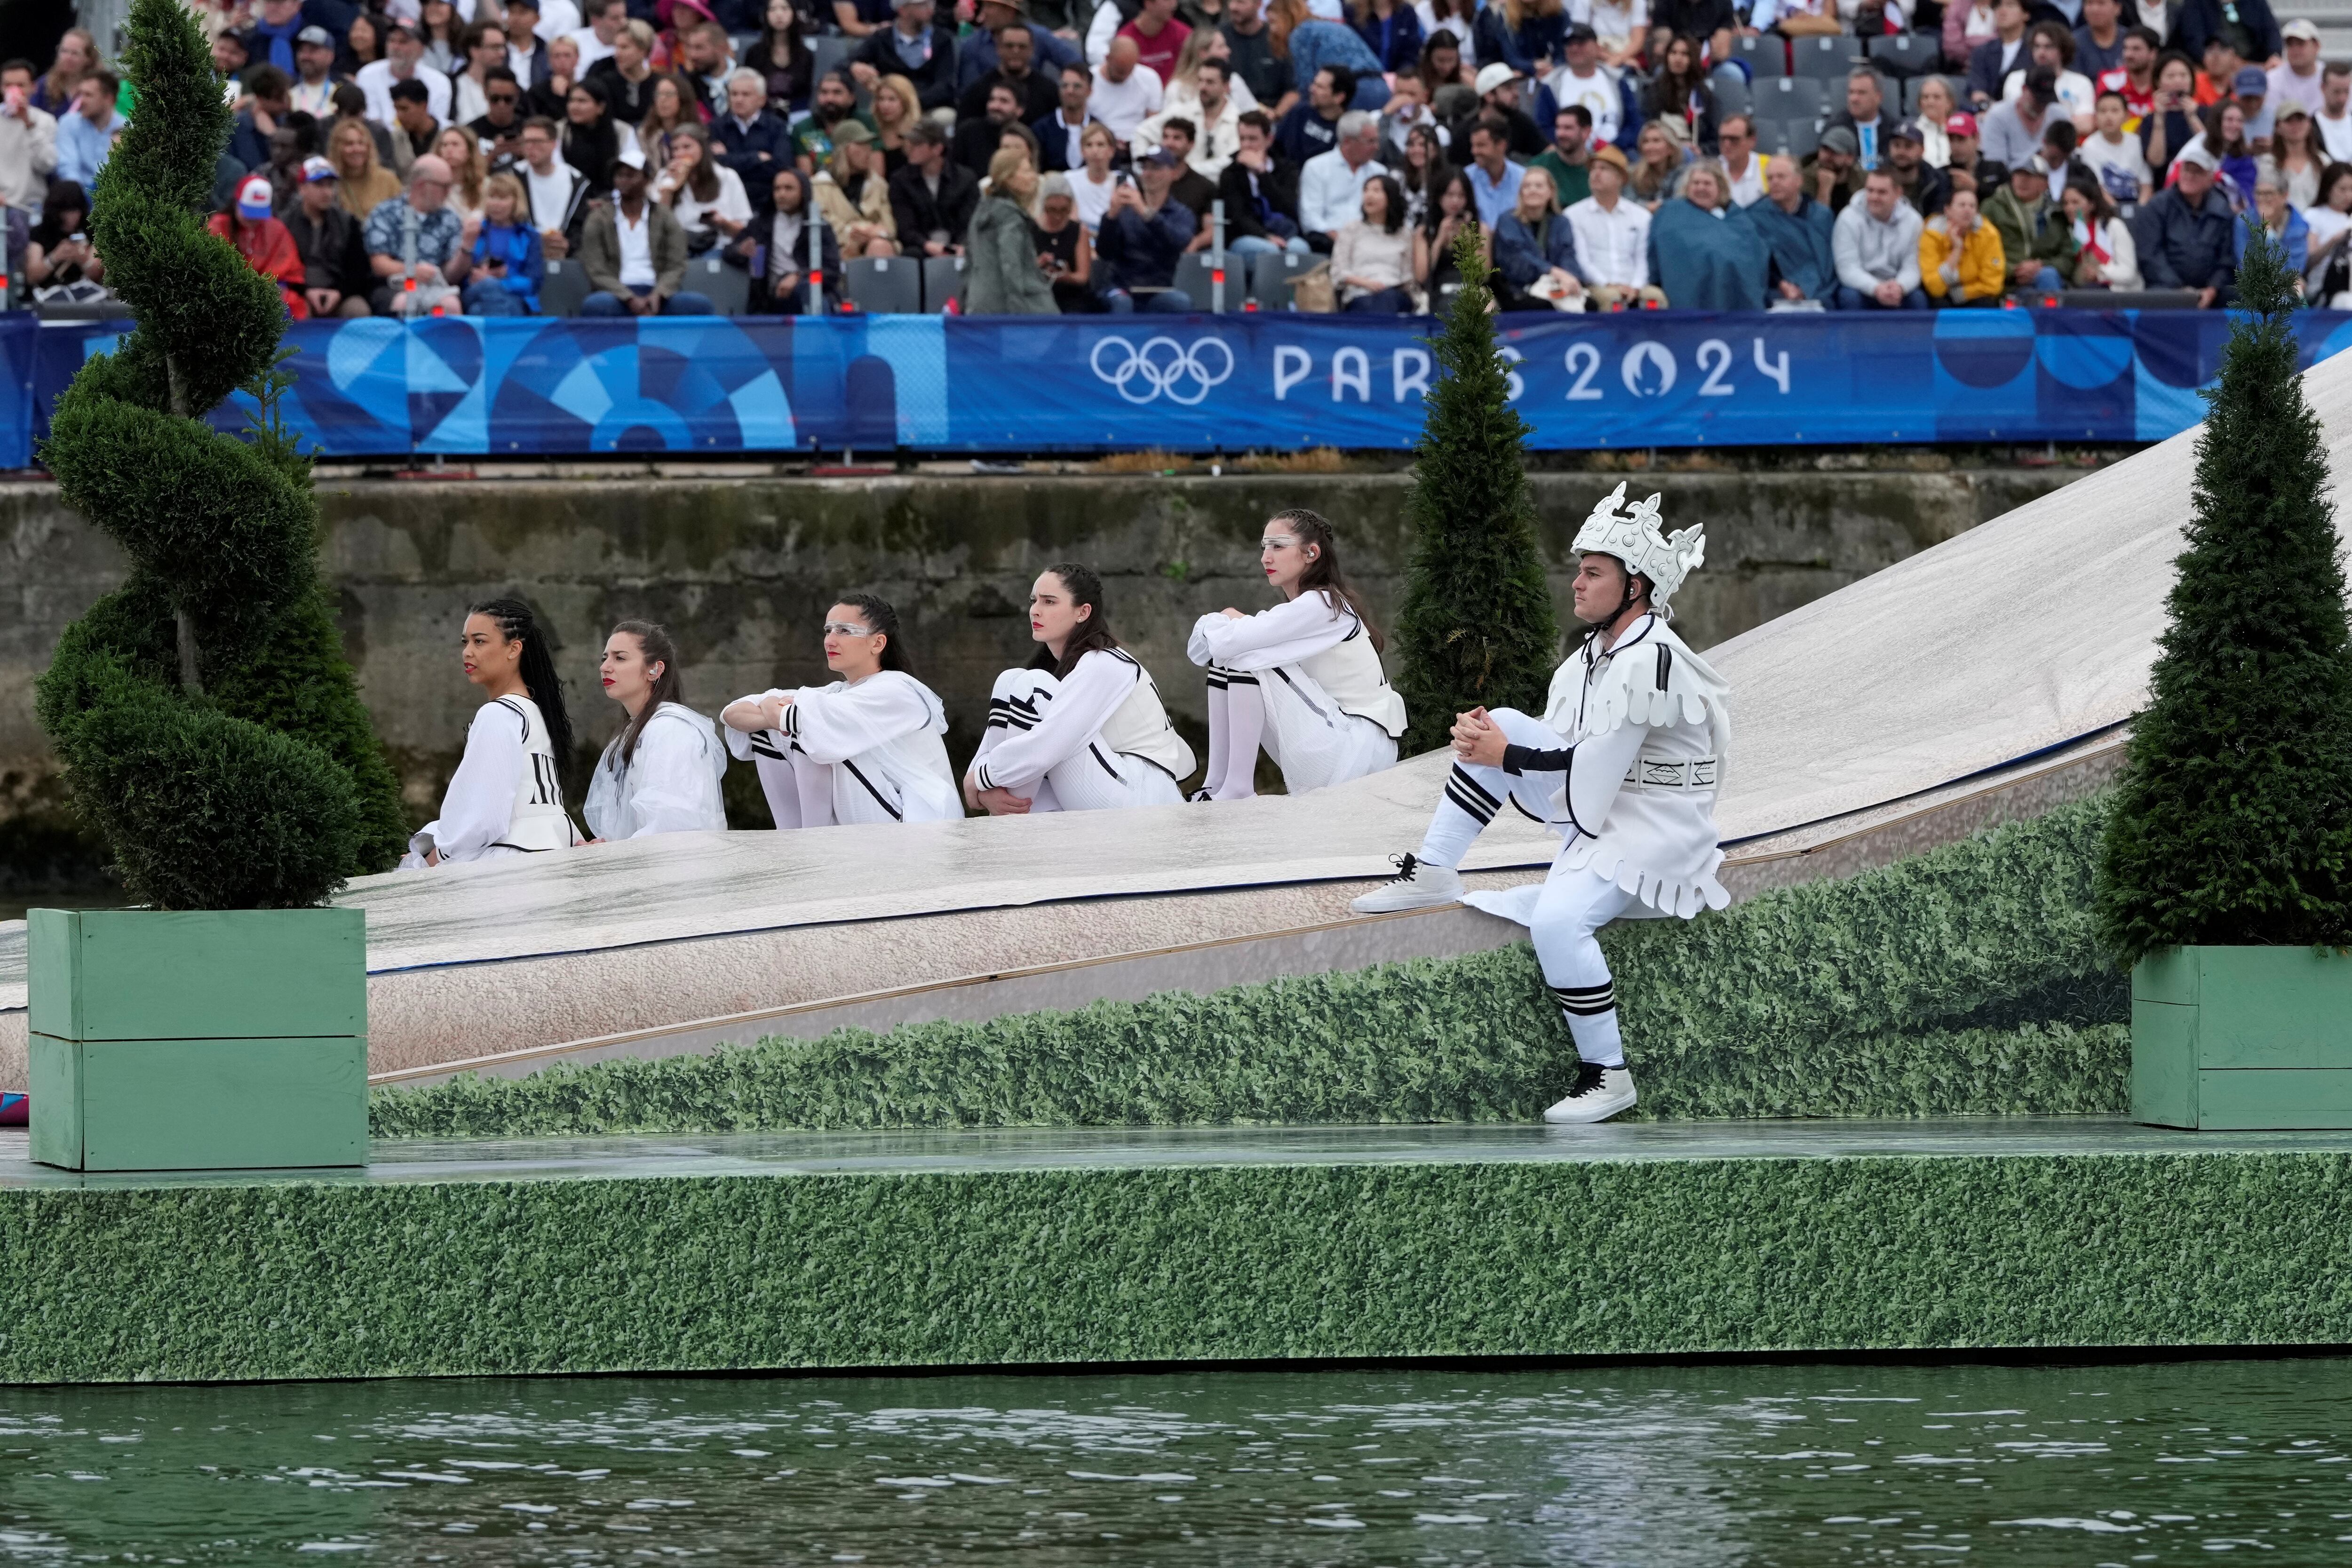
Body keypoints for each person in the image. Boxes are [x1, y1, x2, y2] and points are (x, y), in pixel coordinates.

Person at [1351, 483, 1728, 1126]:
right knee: (1498, 719)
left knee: (1558, 923)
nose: (1576, 584)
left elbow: (1595, 768)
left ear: (1635, 587)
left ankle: (1607, 1075)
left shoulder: (1651, 659)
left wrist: (1506, 757)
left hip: (1653, 829)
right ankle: (1437, 868)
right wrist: (1491, 742)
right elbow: (1575, 753)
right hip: (1608, 805)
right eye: (1579, 570)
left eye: (1593, 572)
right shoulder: (1588, 658)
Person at [1186, 509, 1404, 801]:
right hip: (1338, 737)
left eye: (1278, 546)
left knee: (1245, 658)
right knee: (1240, 655)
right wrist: (1229, 625)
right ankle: (1216, 783)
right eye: (1264, 547)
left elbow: (1224, 646)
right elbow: (1199, 652)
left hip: (1358, 750)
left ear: (1311, 553)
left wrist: (1225, 618)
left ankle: (1237, 788)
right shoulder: (1308, 608)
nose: (1266, 558)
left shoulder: (1324, 605)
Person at [967, 565, 1196, 815]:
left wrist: (980, 778)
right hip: (1106, 783)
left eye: (1049, 602)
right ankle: (1007, 803)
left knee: (1031, 686)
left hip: (1141, 795)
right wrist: (981, 779)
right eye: (1034, 601)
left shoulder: (1105, 663)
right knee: (1010, 679)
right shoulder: (1066, 667)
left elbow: (1049, 745)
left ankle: (1010, 816)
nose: (1035, 611)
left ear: (1083, 612)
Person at [723, 597, 959, 830]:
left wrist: (772, 704)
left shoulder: (897, 689)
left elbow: (806, 721)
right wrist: (774, 706)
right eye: (828, 630)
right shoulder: (837, 692)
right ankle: (791, 836)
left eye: (845, 631)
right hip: (880, 810)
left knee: (813, 729)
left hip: (918, 822)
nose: (830, 641)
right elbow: (732, 713)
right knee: (779, 729)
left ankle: (812, 840)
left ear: (877, 644)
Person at [401, 599, 581, 869]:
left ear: (514, 649)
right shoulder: (534, 714)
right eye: (465, 642)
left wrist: (432, 860)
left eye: (480, 642)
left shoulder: (498, 714)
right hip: (549, 863)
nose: (467, 652)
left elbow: (482, 818)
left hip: (508, 869)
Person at [582, 148, 716, 313]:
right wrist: (628, 297)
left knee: (698, 305)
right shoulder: (599, 218)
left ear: (647, 180)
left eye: (630, 176)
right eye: (619, 175)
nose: (623, 180)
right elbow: (596, 268)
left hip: (659, 291)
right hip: (616, 294)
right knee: (596, 305)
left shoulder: (664, 216)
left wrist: (659, 294)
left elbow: (676, 264)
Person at [365, 155, 475, 315]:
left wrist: (466, 247)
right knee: (406, 304)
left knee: (449, 307)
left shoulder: (450, 219)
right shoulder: (386, 213)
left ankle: (441, 340)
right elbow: (379, 263)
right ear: (422, 185)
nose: (448, 193)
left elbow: (451, 276)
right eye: (444, 186)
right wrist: (412, 271)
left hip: (435, 287)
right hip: (395, 285)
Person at [2132, 137, 2238, 303]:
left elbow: (2227, 259)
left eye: (2197, 172)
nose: (2190, 176)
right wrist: (2179, 290)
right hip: (2167, 287)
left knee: (2242, 296)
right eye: (2186, 170)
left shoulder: (2222, 210)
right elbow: (2150, 256)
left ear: (2211, 179)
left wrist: (2212, 289)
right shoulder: (2157, 207)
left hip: (2212, 291)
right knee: (2157, 296)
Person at [1647, 159, 1764, 308]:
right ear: (1687, 187)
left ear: (1720, 188)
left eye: (1707, 183)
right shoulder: (1672, 213)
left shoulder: (1737, 218)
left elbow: (1753, 254)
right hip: (1686, 294)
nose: (1701, 188)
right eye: (1696, 183)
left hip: (1732, 295)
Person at [1094, 144, 1198, 307]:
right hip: (1123, 286)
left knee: (1180, 302)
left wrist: (1145, 213)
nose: (1148, 174)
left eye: (1156, 168)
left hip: (1160, 288)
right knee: (1122, 302)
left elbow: (1178, 242)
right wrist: (1111, 217)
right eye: (1145, 168)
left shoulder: (1181, 214)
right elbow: (1105, 253)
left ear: (1173, 173)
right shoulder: (1124, 212)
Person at [1564, 142, 1659, 306]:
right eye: (1593, 169)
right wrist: (1608, 284)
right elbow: (1583, 261)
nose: (1596, 174)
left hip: (1633, 284)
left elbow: (1642, 259)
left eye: (1604, 169)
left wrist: (1635, 287)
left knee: (1655, 299)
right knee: (1612, 299)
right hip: (1595, 286)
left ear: (1621, 178)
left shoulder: (1641, 216)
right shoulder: (1574, 215)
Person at [965, 147, 1058, 312]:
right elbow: (1011, 265)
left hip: (980, 303)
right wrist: (1018, 312)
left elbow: (968, 262)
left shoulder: (980, 212)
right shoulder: (1010, 217)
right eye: (1027, 171)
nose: (1034, 177)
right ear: (1009, 179)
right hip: (1017, 307)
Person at [210, 174, 309, 319]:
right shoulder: (218, 226)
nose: (253, 219)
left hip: (269, 292)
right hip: (228, 292)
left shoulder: (276, 229)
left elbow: (291, 271)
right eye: (249, 212)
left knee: (295, 305)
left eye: (258, 214)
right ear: (236, 203)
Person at [284, 156, 371, 318]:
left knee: (358, 310)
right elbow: (282, 269)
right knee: (292, 309)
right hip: (300, 292)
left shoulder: (348, 222)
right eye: (319, 185)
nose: (327, 192)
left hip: (339, 293)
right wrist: (306, 292)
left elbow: (359, 270)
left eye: (331, 186)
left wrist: (340, 293)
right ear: (302, 188)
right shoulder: (285, 223)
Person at [1748, 154, 1838, 305]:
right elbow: (1756, 262)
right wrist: (1781, 284)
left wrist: (1804, 287)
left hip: (1817, 287)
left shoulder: (1821, 216)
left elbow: (1827, 263)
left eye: (1781, 177)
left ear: (1799, 181)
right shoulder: (1755, 216)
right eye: (1770, 178)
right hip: (1775, 288)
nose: (1774, 182)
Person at [1833, 167, 1927, 309]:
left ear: (1898, 193)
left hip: (1897, 286)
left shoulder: (1914, 221)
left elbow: (1913, 266)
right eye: (1870, 190)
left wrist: (1900, 287)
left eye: (1882, 192)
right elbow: (1847, 268)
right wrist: (1876, 288)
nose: (1874, 197)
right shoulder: (1848, 218)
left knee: (1918, 299)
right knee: (1849, 297)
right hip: (1861, 287)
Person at [1494, 162, 1582, 309]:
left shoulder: (1561, 222)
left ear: (1551, 192)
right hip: (1518, 289)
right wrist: (1553, 272)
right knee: (1544, 306)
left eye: (1539, 186)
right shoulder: (1508, 220)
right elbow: (1516, 261)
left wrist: (1569, 278)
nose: (1532, 190)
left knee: (1590, 305)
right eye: (1527, 186)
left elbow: (1568, 255)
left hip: (1556, 286)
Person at [1220, 108, 1309, 252]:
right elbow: (1238, 216)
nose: (1246, 145)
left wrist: (1262, 173)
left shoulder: (1287, 169)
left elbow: (1288, 207)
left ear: (1269, 140)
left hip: (1285, 231)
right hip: (1246, 235)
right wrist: (1266, 236)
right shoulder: (1231, 174)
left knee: (1300, 249)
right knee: (1270, 251)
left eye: (1253, 139)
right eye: (1242, 139)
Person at [889, 119, 982, 255]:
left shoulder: (966, 179)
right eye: (911, 143)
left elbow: (969, 223)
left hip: (960, 246)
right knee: (912, 254)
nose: (910, 148)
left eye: (918, 144)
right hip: (920, 248)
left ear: (938, 148)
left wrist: (961, 246)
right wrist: (927, 245)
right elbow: (906, 227)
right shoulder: (900, 180)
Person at [656, 122, 754, 252]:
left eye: (687, 147)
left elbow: (744, 231)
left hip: (719, 247)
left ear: (702, 147)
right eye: (675, 149)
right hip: (679, 249)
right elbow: (657, 226)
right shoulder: (665, 177)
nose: (680, 154)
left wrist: (723, 222)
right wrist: (669, 187)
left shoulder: (727, 177)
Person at [757, 165, 844, 310]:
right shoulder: (761, 224)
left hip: (807, 288)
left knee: (811, 289)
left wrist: (799, 277)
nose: (781, 194)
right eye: (777, 189)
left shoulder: (820, 227)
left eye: (788, 188)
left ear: (803, 192)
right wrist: (742, 250)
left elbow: (832, 271)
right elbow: (732, 251)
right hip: (772, 294)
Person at [1985, 151, 2073, 293]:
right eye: (2018, 175)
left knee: (2047, 275)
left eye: (2030, 176)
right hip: (2006, 281)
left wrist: (2040, 265)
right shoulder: (1993, 208)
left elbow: (2068, 258)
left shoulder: (2057, 213)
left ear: (2045, 183)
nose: (2022, 181)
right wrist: (2016, 270)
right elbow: (1982, 251)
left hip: (2046, 277)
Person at [1299, 108, 1387, 247]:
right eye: (1370, 141)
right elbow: (1310, 218)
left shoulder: (1380, 172)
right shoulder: (1316, 167)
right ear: (1347, 142)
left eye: (1377, 140)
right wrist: (1339, 238)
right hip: (1328, 241)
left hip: (1371, 241)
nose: (1377, 147)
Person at [852, 0, 961, 113]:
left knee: (945, 117)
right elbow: (851, 61)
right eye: (923, 5)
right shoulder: (882, 38)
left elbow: (945, 85)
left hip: (930, 108)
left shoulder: (942, 40)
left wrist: (910, 104)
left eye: (931, 4)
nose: (930, 10)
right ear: (903, 10)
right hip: (889, 106)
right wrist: (856, 66)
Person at [465, 171, 545, 314]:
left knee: (480, 309)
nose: (496, 204)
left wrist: (502, 281)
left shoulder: (530, 236)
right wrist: (477, 276)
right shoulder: (475, 232)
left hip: (516, 297)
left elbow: (533, 283)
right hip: (476, 292)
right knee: (489, 290)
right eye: (492, 197)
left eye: (502, 198)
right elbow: (461, 277)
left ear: (516, 202)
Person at [1330, 170, 1413, 309]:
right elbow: (1339, 272)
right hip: (1359, 293)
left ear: (1390, 197)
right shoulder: (1352, 229)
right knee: (1371, 304)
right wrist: (1368, 284)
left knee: (1389, 299)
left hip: (1394, 293)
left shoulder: (1404, 233)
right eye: (1366, 190)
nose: (1369, 195)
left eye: (1376, 191)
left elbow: (1408, 276)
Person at [814, 123, 898, 256]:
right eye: (861, 144)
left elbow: (889, 225)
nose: (869, 151)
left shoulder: (878, 185)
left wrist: (874, 233)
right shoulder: (819, 186)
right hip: (837, 250)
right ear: (844, 150)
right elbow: (825, 223)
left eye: (869, 145)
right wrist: (856, 232)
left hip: (879, 245)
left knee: (880, 246)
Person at [359, 19, 455, 128]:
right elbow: (370, 122)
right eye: (392, 41)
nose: (395, 47)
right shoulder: (368, 75)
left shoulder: (439, 82)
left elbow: (435, 127)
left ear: (421, 49)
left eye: (403, 42)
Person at [1920, 182, 2006, 303]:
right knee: (1938, 302)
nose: (1968, 210)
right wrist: (1957, 249)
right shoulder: (1932, 234)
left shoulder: (1989, 234)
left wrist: (1963, 293)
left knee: (1986, 303)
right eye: (1962, 205)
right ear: (1948, 210)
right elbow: (1935, 288)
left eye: (1972, 206)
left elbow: (1993, 284)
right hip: (1943, 296)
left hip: (1974, 294)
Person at [517, 115, 587, 259]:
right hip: (523, 252)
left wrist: (568, 244)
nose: (531, 147)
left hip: (565, 254)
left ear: (554, 144)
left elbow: (580, 224)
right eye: (527, 142)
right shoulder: (513, 176)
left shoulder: (576, 181)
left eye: (537, 141)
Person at [0, 59, 58, 220]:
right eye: (8, 86)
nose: (14, 91)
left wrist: (29, 125)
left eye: (20, 85)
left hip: (30, 208)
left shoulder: (45, 121)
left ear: (34, 87)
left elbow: (48, 165)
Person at [1414, 163, 1484, 296]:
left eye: (1461, 196)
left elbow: (1484, 274)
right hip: (1438, 291)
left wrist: (1469, 240)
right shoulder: (1424, 231)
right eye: (1450, 195)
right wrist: (1440, 240)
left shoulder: (1481, 229)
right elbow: (1421, 277)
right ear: (1439, 197)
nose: (1455, 201)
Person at [2062, 173, 2140, 288]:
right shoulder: (2067, 230)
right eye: (2066, 203)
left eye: (2075, 202)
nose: (2069, 208)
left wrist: (2100, 273)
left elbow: (2128, 273)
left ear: (2092, 205)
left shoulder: (2113, 227)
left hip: (2116, 295)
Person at [55, 69, 122, 199]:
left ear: (108, 99)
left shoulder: (127, 128)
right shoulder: (68, 123)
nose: (81, 101)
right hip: (77, 199)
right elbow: (68, 168)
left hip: (114, 199)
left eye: (88, 95)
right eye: (80, 95)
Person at [2079, 86, 2154, 202]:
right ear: (2096, 117)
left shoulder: (2137, 142)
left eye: (2115, 111)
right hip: (2107, 208)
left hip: (2136, 205)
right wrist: (2117, 212)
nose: (2109, 117)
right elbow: (2098, 189)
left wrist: (2140, 211)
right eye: (2103, 111)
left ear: (2126, 116)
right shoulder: (2089, 146)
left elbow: (2146, 185)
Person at [1092, 36, 1168, 144]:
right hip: (1099, 143)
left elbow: (1154, 123)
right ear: (1107, 58)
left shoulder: (1150, 79)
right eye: (1119, 71)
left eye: (1129, 70)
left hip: (1138, 143)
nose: (1124, 76)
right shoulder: (1090, 80)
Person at [2238, 167, 2308, 284]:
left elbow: (2293, 273)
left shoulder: (2299, 226)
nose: (2262, 199)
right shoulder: (2244, 221)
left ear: (2285, 196)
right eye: (2258, 193)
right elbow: (2245, 266)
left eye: (2269, 194)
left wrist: (2268, 232)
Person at [329, 115, 406, 222]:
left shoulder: (388, 180)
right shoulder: (331, 182)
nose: (356, 149)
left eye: (361, 143)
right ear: (337, 148)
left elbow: (404, 215)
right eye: (349, 144)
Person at [1274, 62, 1349, 164]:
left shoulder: (1346, 131)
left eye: (1320, 87)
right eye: (1314, 84)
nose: (1312, 89)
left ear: (1339, 97)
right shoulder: (1299, 112)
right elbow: (1276, 146)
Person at [1462, 113, 1525, 226]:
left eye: (1481, 146)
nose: (1474, 151)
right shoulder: (1466, 178)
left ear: (1501, 146)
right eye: (1473, 146)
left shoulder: (1523, 178)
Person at [1967, 0, 2031, 109]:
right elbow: (1978, 91)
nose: (2002, 11)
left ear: (2026, 14)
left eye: (2010, 5)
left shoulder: (2037, 49)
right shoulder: (1982, 52)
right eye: (1998, 6)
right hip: (1988, 113)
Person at [1035, 61, 1097, 171]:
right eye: (1065, 86)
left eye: (1077, 86)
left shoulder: (1099, 130)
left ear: (1089, 91)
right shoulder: (1042, 130)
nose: (1070, 91)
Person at [1530, 104, 1594, 208]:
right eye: (1558, 127)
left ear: (1586, 132)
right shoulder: (1539, 166)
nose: (1560, 134)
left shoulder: (1597, 168)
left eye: (1568, 128)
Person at [2260, 100, 2322, 207]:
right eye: (2289, 120)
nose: (2296, 125)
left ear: (2309, 124)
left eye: (2300, 119)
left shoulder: (2323, 161)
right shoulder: (2268, 163)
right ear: (2278, 127)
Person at [434, 125, 490, 222]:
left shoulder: (486, 186)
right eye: (444, 145)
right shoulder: (433, 186)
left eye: (455, 144)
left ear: (469, 151)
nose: (449, 150)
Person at [2317, 61, 2352, 164]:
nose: (2342, 98)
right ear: (2323, 88)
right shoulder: (2311, 127)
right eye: (2336, 92)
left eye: (2346, 92)